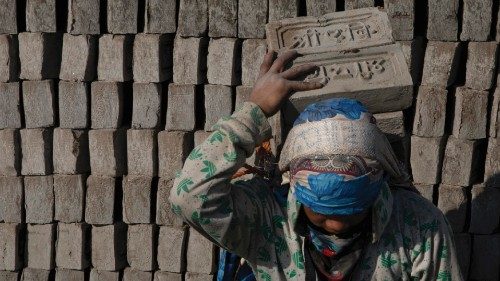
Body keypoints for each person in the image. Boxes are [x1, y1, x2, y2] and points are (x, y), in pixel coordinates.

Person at [169, 50, 463, 280]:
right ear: (294, 183)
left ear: (377, 185)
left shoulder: (418, 226)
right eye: (320, 212)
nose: (335, 224)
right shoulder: (267, 219)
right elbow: (190, 197)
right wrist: (253, 112)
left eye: (353, 211)